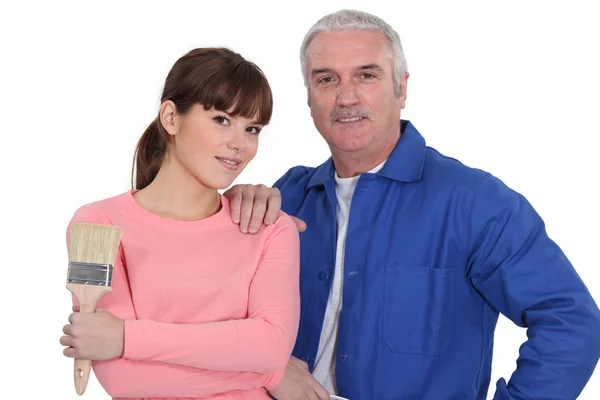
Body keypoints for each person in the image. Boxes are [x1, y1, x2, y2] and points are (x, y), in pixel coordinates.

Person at [223, 9, 600, 400]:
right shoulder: (290, 196)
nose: (346, 96)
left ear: (401, 88)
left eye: (366, 75)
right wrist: (222, 214)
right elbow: (213, 310)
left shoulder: (474, 202)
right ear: (309, 97)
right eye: (326, 79)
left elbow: (571, 321)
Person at [59, 47, 302, 400]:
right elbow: (127, 382)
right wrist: (266, 376)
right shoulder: (97, 224)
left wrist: (128, 338)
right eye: (222, 119)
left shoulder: (271, 228)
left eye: (252, 129)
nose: (240, 144)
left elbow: (270, 347)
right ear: (171, 117)